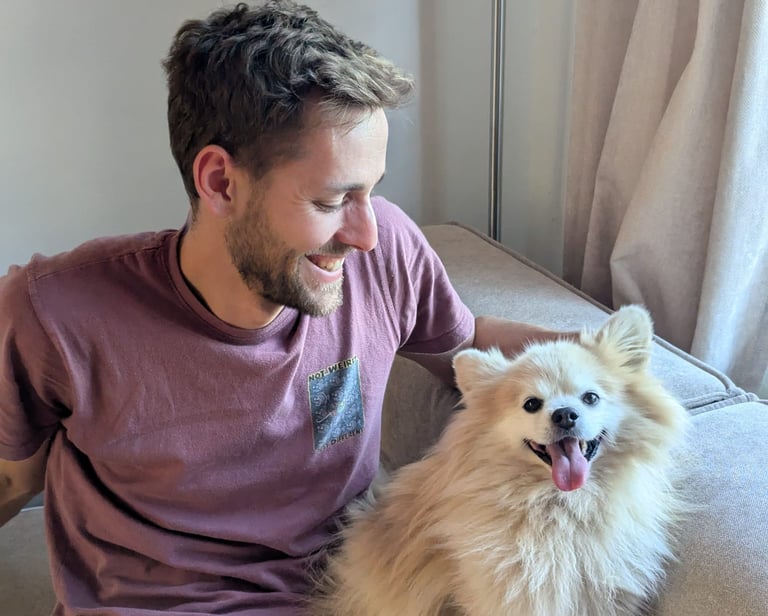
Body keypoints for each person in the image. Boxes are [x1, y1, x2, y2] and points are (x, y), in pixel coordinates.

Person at [0, 2, 568, 614]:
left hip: (344, 595)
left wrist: (594, 363)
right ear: (220, 182)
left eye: (371, 191)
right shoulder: (56, 312)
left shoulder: (388, 253)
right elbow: (11, 478)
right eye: (332, 200)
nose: (367, 234)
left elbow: (467, 346)